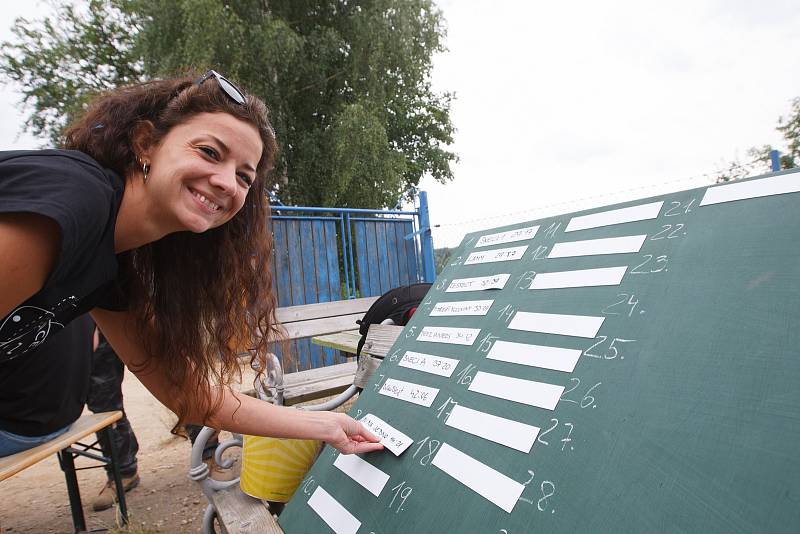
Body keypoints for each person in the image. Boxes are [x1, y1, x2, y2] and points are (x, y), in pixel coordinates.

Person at [0, 71, 382, 461]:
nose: (226, 183)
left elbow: (191, 396)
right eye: (209, 152)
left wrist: (328, 425)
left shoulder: (117, 265)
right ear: (145, 143)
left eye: (243, 177)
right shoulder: (77, 200)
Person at [0, 315, 95, 456]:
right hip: (67, 416)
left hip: (16, 431)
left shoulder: (10, 303)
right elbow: (94, 343)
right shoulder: (75, 296)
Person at [87, 328, 141, 511]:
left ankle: (209, 453)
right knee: (103, 399)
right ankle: (123, 473)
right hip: (94, 312)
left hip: (145, 304)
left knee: (178, 377)